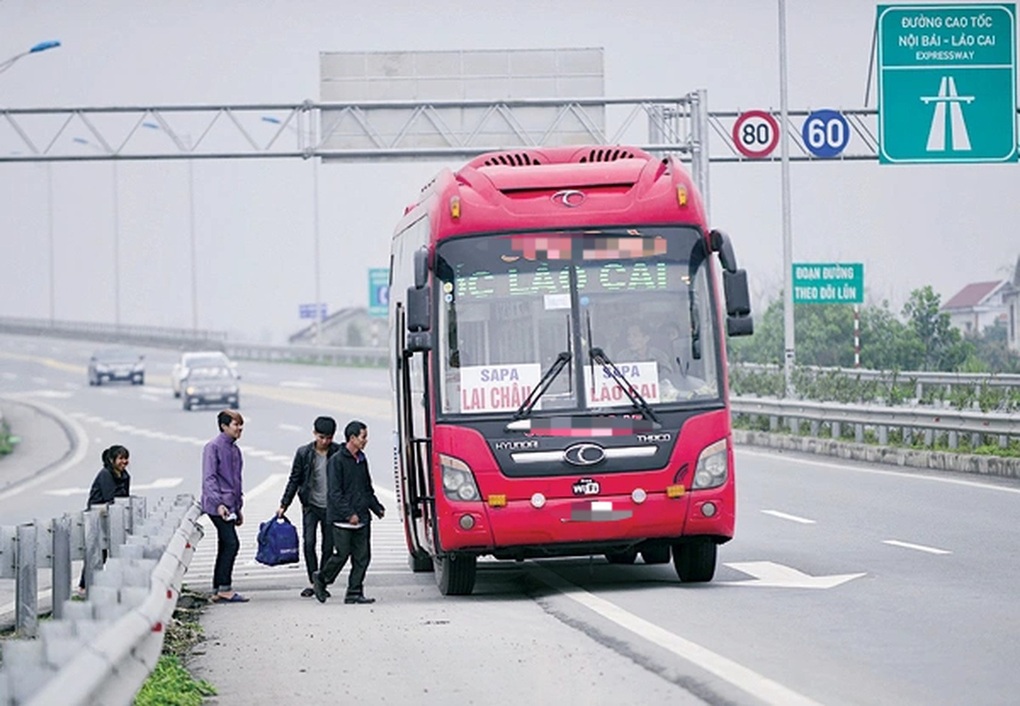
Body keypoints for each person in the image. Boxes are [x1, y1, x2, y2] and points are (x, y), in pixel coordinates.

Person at [313, 420, 385, 605]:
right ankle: (321, 579)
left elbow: (366, 487)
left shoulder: (361, 459)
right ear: (352, 438)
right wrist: (349, 514)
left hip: (362, 517)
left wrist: (376, 507)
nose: (365, 441)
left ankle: (354, 592)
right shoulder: (337, 460)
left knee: (362, 557)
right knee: (342, 554)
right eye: (363, 437)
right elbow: (335, 493)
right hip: (342, 520)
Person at [277, 415, 341, 598]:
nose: (324, 441)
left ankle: (322, 581)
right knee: (309, 543)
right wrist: (284, 504)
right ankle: (313, 581)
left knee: (328, 546)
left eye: (328, 437)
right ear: (314, 434)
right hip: (311, 505)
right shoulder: (304, 453)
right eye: (321, 437)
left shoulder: (338, 452)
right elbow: (294, 479)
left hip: (331, 508)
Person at [201, 409, 248, 603]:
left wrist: (238, 507)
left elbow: (236, 481)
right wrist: (219, 504)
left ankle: (218, 588)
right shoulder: (213, 447)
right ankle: (224, 588)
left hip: (230, 506)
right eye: (236, 425)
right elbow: (209, 478)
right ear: (224, 426)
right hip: (217, 506)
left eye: (240, 424)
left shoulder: (234, 449)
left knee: (225, 544)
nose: (240, 428)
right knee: (231, 543)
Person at [78, 444, 132, 592]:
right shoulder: (105, 475)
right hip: (97, 516)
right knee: (97, 551)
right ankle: (85, 585)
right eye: (121, 458)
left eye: (126, 458)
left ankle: (107, 583)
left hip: (113, 515)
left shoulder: (125, 476)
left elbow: (124, 498)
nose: (124, 462)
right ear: (112, 459)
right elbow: (110, 497)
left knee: (114, 549)